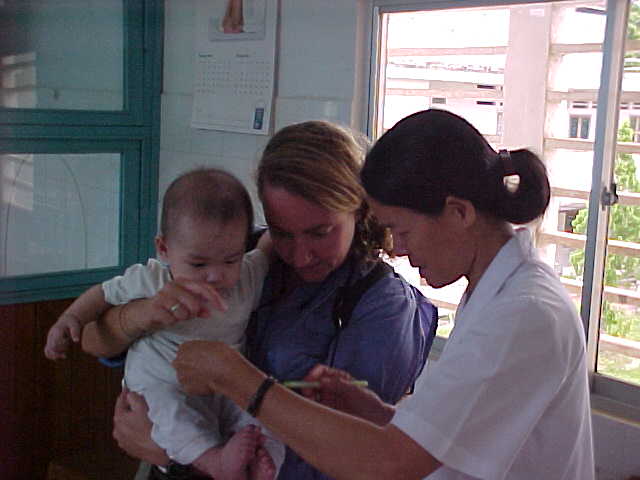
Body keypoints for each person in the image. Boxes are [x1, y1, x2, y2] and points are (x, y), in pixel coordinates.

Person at [171, 109, 596, 479]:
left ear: (459, 212)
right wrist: (374, 412)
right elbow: (447, 440)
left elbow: (390, 464)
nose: (397, 247)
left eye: (403, 229)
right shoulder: (495, 291)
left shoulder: (524, 313)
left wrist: (236, 378)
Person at [81, 120, 439, 479]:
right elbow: (96, 341)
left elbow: (346, 460)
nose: (300, 257)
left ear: (359, 210)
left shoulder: (383, 309)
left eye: (320, 233)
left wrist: (178, 456)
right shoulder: (234, 254)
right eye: (282, 232)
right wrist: (144, 314)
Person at [46, 168, 284, 480]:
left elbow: (269, 245)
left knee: (266, 414)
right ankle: (213, 462)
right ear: (164, 249)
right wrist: (70, 319)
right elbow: (103, 294)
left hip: (223, 384)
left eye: (230, 260)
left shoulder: (248, 277)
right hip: (160, 381)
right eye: (198, 264)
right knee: (168, 413)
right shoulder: (152, 279)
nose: (215, 275)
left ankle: (260, 463)